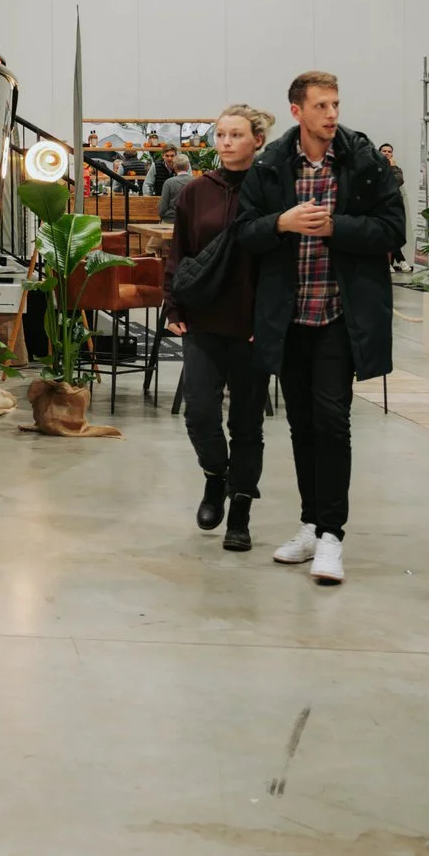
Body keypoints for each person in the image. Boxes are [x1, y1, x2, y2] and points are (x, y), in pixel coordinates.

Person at [233, 71, 404, 586]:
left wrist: (336, 227)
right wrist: (280, 223)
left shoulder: (363, 159)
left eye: (335, 104)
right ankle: (310, 524)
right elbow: (244, 233)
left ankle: (332, 535)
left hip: (338, 315)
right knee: (302, 423)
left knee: (332, 420)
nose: (332, 114)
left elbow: (393, 230)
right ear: (297, 111)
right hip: (288, 318)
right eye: (321, 106)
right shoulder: (271, 165)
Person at [165, 104, 272, 551]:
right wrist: (173, 305)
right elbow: (180, 251)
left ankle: (240, 512)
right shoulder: (196, 191)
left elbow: (279, 263)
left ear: (257, 141)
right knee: (200, 413)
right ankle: (215, 476)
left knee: (247, 423)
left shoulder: (271, 191)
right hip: (204, 318)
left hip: (251, 326)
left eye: (236, 134)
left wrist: (268, 319)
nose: (226, 142)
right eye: (221, 134)